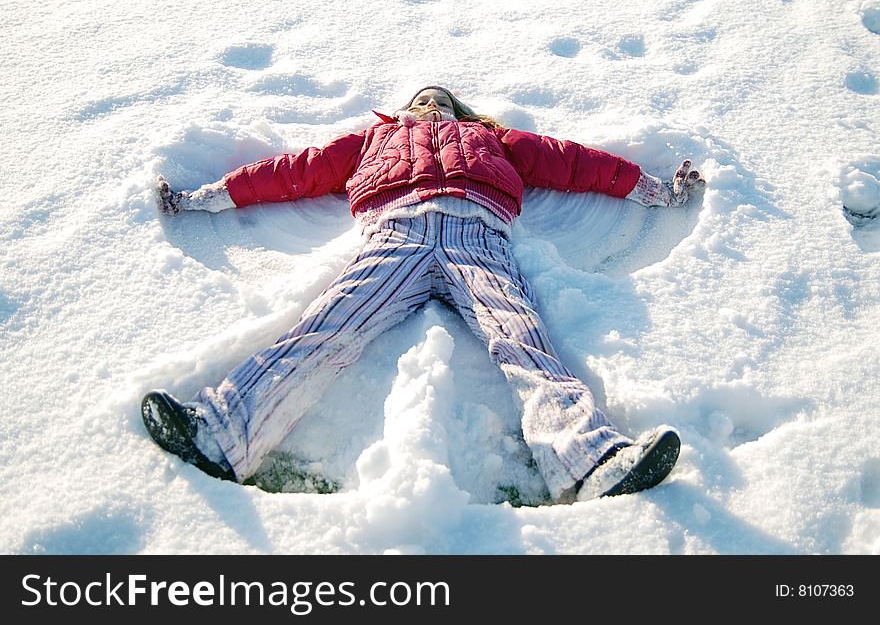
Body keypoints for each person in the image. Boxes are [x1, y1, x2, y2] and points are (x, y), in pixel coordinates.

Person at [142, 86, 706, 503]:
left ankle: (590, 460)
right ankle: (218, 435)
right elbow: (292, 172)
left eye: (442, 102)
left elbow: (576, 164)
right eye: (420, 102)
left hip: (477, 235)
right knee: (325, 331)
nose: (429, 108)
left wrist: (651, 189)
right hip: (397, 234)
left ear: (460, 113)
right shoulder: (372, 140)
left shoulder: (494, 139)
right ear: (403, 111)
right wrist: (205, 198)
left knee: (521, 341)